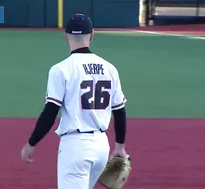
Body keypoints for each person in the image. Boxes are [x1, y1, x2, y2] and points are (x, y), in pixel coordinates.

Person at [20, 13, 128, 189]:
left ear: (65, 35)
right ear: (92, 35)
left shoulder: (61, 70)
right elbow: (119, 110)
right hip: (101, 147)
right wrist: (120, 147)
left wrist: (31, 143)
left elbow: (50, 112)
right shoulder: (110, 69)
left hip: (75, 147)